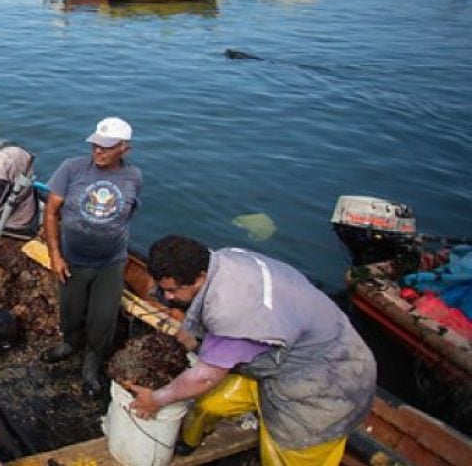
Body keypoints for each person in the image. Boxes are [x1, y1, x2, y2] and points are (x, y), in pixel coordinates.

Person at [130, 235, 376, 465]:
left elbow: (205, 377)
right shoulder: (224, 258)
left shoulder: (231, 311)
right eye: (164, 289)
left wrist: (155, 399)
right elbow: (196, 326)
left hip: (327, 384)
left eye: (172, 290)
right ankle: (189, 443)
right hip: (277, 358)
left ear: (200, 277)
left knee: (283, 453)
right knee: (209, 404)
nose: (167, 297)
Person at [40, 117, 142, 398]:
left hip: (111, 262)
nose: (99, 152)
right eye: (96, 145)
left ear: (125, 149)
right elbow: (50, 213)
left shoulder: (133, 177)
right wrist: (56, 256)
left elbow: (128, 214)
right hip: (74, 258)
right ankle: (70, 343)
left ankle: (91, 365)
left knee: (103, 319)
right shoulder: (71, 168)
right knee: (71, 311)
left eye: (107, 148)